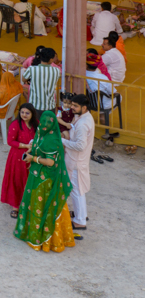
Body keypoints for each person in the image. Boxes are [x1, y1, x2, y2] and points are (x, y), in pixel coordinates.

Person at [14, 112, 76, 252]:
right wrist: (31, 151)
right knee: (35, 204)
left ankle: (46, 241)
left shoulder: (52, 140)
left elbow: (50, 161)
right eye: (43, 122)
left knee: (42, 206)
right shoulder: (41, 134)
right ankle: (33, 234)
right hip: (36, 175)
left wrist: (33, 159)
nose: (45, 125)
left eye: (48, 123)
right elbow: (37, 147)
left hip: (47, 179)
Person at [61, 94, 94, 231]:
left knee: (76, 190)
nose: (72, 107)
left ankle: (80, 221)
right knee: (78, 189)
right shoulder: (84, 117)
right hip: (77, 160)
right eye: (72, 105)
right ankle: (81, 215)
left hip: (76, 161)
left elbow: (80, 146)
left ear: (84, 107)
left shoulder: (83, 124)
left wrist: (62, 141)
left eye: (75, 106)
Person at [2, 104, 37, 217]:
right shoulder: (16, 124)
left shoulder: (36, 124)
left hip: (32, 156)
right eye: (22, 112)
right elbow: (10, 141)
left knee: (29, 180)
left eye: (27, 113)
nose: (24, 115)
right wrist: (25, 146)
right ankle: (15, 206)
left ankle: (28, 204)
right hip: (18, 157)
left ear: (32, 114)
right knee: (17, 180)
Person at [21, 48, 61, 112]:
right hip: (50, 106)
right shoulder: (56, 70)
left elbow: (23, 79)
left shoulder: (32, 69)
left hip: (35, 105)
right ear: (51, 59)